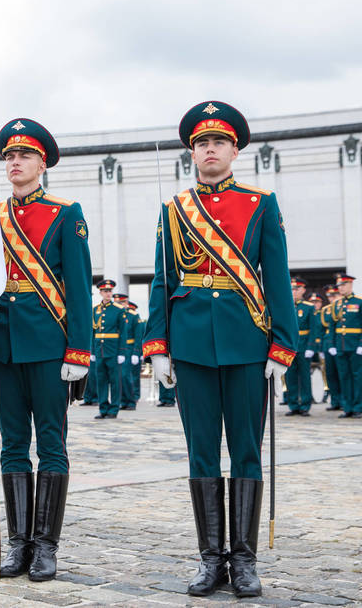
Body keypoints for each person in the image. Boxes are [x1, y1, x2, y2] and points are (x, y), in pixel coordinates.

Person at [143, 101, 297, 598]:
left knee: (246, 451)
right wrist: (158, 345)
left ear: (235, 150)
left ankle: (245, 561)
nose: (210, 150)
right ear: (193, 152)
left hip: (247, 342)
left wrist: (282, 348)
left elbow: (277, 279)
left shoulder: (260, 204)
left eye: (219, 143)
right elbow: (162, 281)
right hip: (190, 346)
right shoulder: (174, 209)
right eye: (202, 144)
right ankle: (211, 559)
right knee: (201, 452)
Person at [0, 118, 92, 581]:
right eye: (9, 156)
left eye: (24, 155)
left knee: (52, 444)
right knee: (13, 446)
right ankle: (18, 542)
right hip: (2, 345)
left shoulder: (66, 213)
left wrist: (78, 351)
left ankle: (46, 545)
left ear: (43, 163)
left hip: (48, 346)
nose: (15, 162)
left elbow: (79, 289)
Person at [88, 280, 127, 419]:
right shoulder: (95, 310)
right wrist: (92, 351)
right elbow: (92, 332)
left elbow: (123, 332)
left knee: (115, 381)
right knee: (101, 380)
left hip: (113, 350)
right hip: (99, 350)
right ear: (100, 293)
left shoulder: (118, 309)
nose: (108, 293)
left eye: (110, 291)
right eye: (105, 291)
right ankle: (103, 408)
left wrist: (122, 351)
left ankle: (114, 409)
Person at [330, 274, 362, 418]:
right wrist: (332, 344)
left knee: (357, 377)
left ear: (350, 285)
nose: (340, 288)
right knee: (344, 377)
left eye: (343, 285)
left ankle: (358, 407)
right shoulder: (336, 304)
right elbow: (333, 326)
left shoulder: (359, 302)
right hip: (341, 346)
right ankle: (347, 407)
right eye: (339, 286)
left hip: (355, 346)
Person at [284, 277, 316, 416]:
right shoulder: (286, 305)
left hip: (303, 346)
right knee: (290, 376)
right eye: (292, 289)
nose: (294, 292)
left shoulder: (309, 307)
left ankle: (305, 405)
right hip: (289, 346)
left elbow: (314, 329)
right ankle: (293, 405)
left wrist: (310, 346)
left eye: (297, 289)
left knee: (304, 377)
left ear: (303, 290)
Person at [319, 285, 343, 411]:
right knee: (331, 374)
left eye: (334, 295)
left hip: (340, 344)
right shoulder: (326, 310)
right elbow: (322, 330)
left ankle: (344, 401)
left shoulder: (342, 308)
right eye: (329, 296)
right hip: (328, 345)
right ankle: (335, 401)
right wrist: (321, 348)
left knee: (342, 374)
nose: (331, 298)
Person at [114, 292, 138, 411]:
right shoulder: (115, 314)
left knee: (126, 375)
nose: (120, 304)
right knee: (119, 377)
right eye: (117, 302)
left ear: (126, 303)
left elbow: (138, 335)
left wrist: (136, 352)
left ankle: (131, 401)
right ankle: (123, 401)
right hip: (117, 349)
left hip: (129, 348)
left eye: (122, 302)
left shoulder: (132, 315)